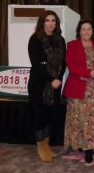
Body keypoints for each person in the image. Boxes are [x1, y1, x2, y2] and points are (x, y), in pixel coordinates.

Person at [62, 19, 94, 164]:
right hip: (76, 87)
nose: (86, 32)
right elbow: (71, 65)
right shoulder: (72, 45)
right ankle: (79, 144)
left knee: (92, 119)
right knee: (76, 118)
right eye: (83, 29)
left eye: (89, 29)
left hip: (93, 88)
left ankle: (89, 149)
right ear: (79, 31)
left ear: (92, 31)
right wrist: (88, 72)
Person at [27, 10, 66, 163]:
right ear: (42, 23)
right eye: (47, 20)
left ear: (56, 23)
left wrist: (58, 78)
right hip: (38, 84)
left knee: (51, 116)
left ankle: (47, 145)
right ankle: (40, 147)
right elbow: (37, 64)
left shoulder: (60, 40)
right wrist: (52, 79)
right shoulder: (35, 39)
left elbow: (63, 63)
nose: (50, 23)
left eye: (53, 21)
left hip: (55, 85)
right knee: (40, 116)